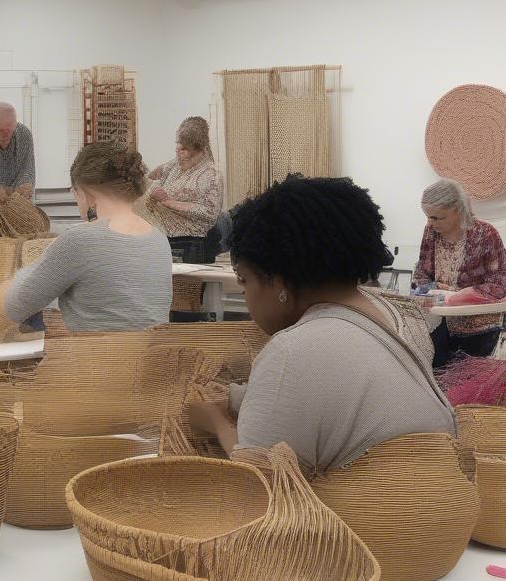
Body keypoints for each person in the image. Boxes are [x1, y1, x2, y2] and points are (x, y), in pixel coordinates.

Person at [188, 176, 456, 472]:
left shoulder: (292, 350)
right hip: (441, 495)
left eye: (244, 280)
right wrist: (237, 398)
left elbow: (262, 479)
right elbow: (336, 395)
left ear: (279, 283)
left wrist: (215, 422)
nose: (244, 294)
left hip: (378, 513)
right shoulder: (397, 312)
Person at [0, 144, 172, 332]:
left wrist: (4, 286)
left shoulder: (80, 240)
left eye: (75, 192)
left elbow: (14, 309)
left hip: (96, 359)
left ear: (86, 194)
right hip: (149, 358)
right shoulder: (159, 238)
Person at [413, 178, 506, 366]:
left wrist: (460, 296)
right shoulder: (431, 232)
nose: (430, 223)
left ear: (458, 210)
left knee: (469, 387)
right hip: (440, 325)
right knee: (440, 383)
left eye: (437, 217)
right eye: (427, 216)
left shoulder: (485, 233)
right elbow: (421, 274)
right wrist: (433, 288)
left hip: (479, 328)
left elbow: (499, 285)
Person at [142, 116, 224, 262]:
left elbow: (210, 213)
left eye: (186, 150)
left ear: (201, 149)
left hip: (191, 246)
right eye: (178, 148)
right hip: (163, 241)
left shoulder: (212, 174)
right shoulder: (175, 164)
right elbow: (154, 174)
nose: (180, 154)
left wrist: (168, 201)